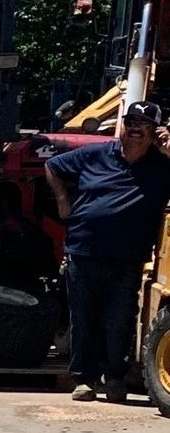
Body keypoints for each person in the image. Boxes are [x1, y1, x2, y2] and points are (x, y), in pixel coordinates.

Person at [44, 101, 170, 403]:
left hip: (128, 258)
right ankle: (83, 380)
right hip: (83, 251)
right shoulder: (96, 153)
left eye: (144, 125)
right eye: (131, 122)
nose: (135, 129)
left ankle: (114, 378)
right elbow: (53, 166)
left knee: (119, 321)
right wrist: (62, 200)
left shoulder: (162, 166)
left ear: (155, 132)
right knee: (83, 319)